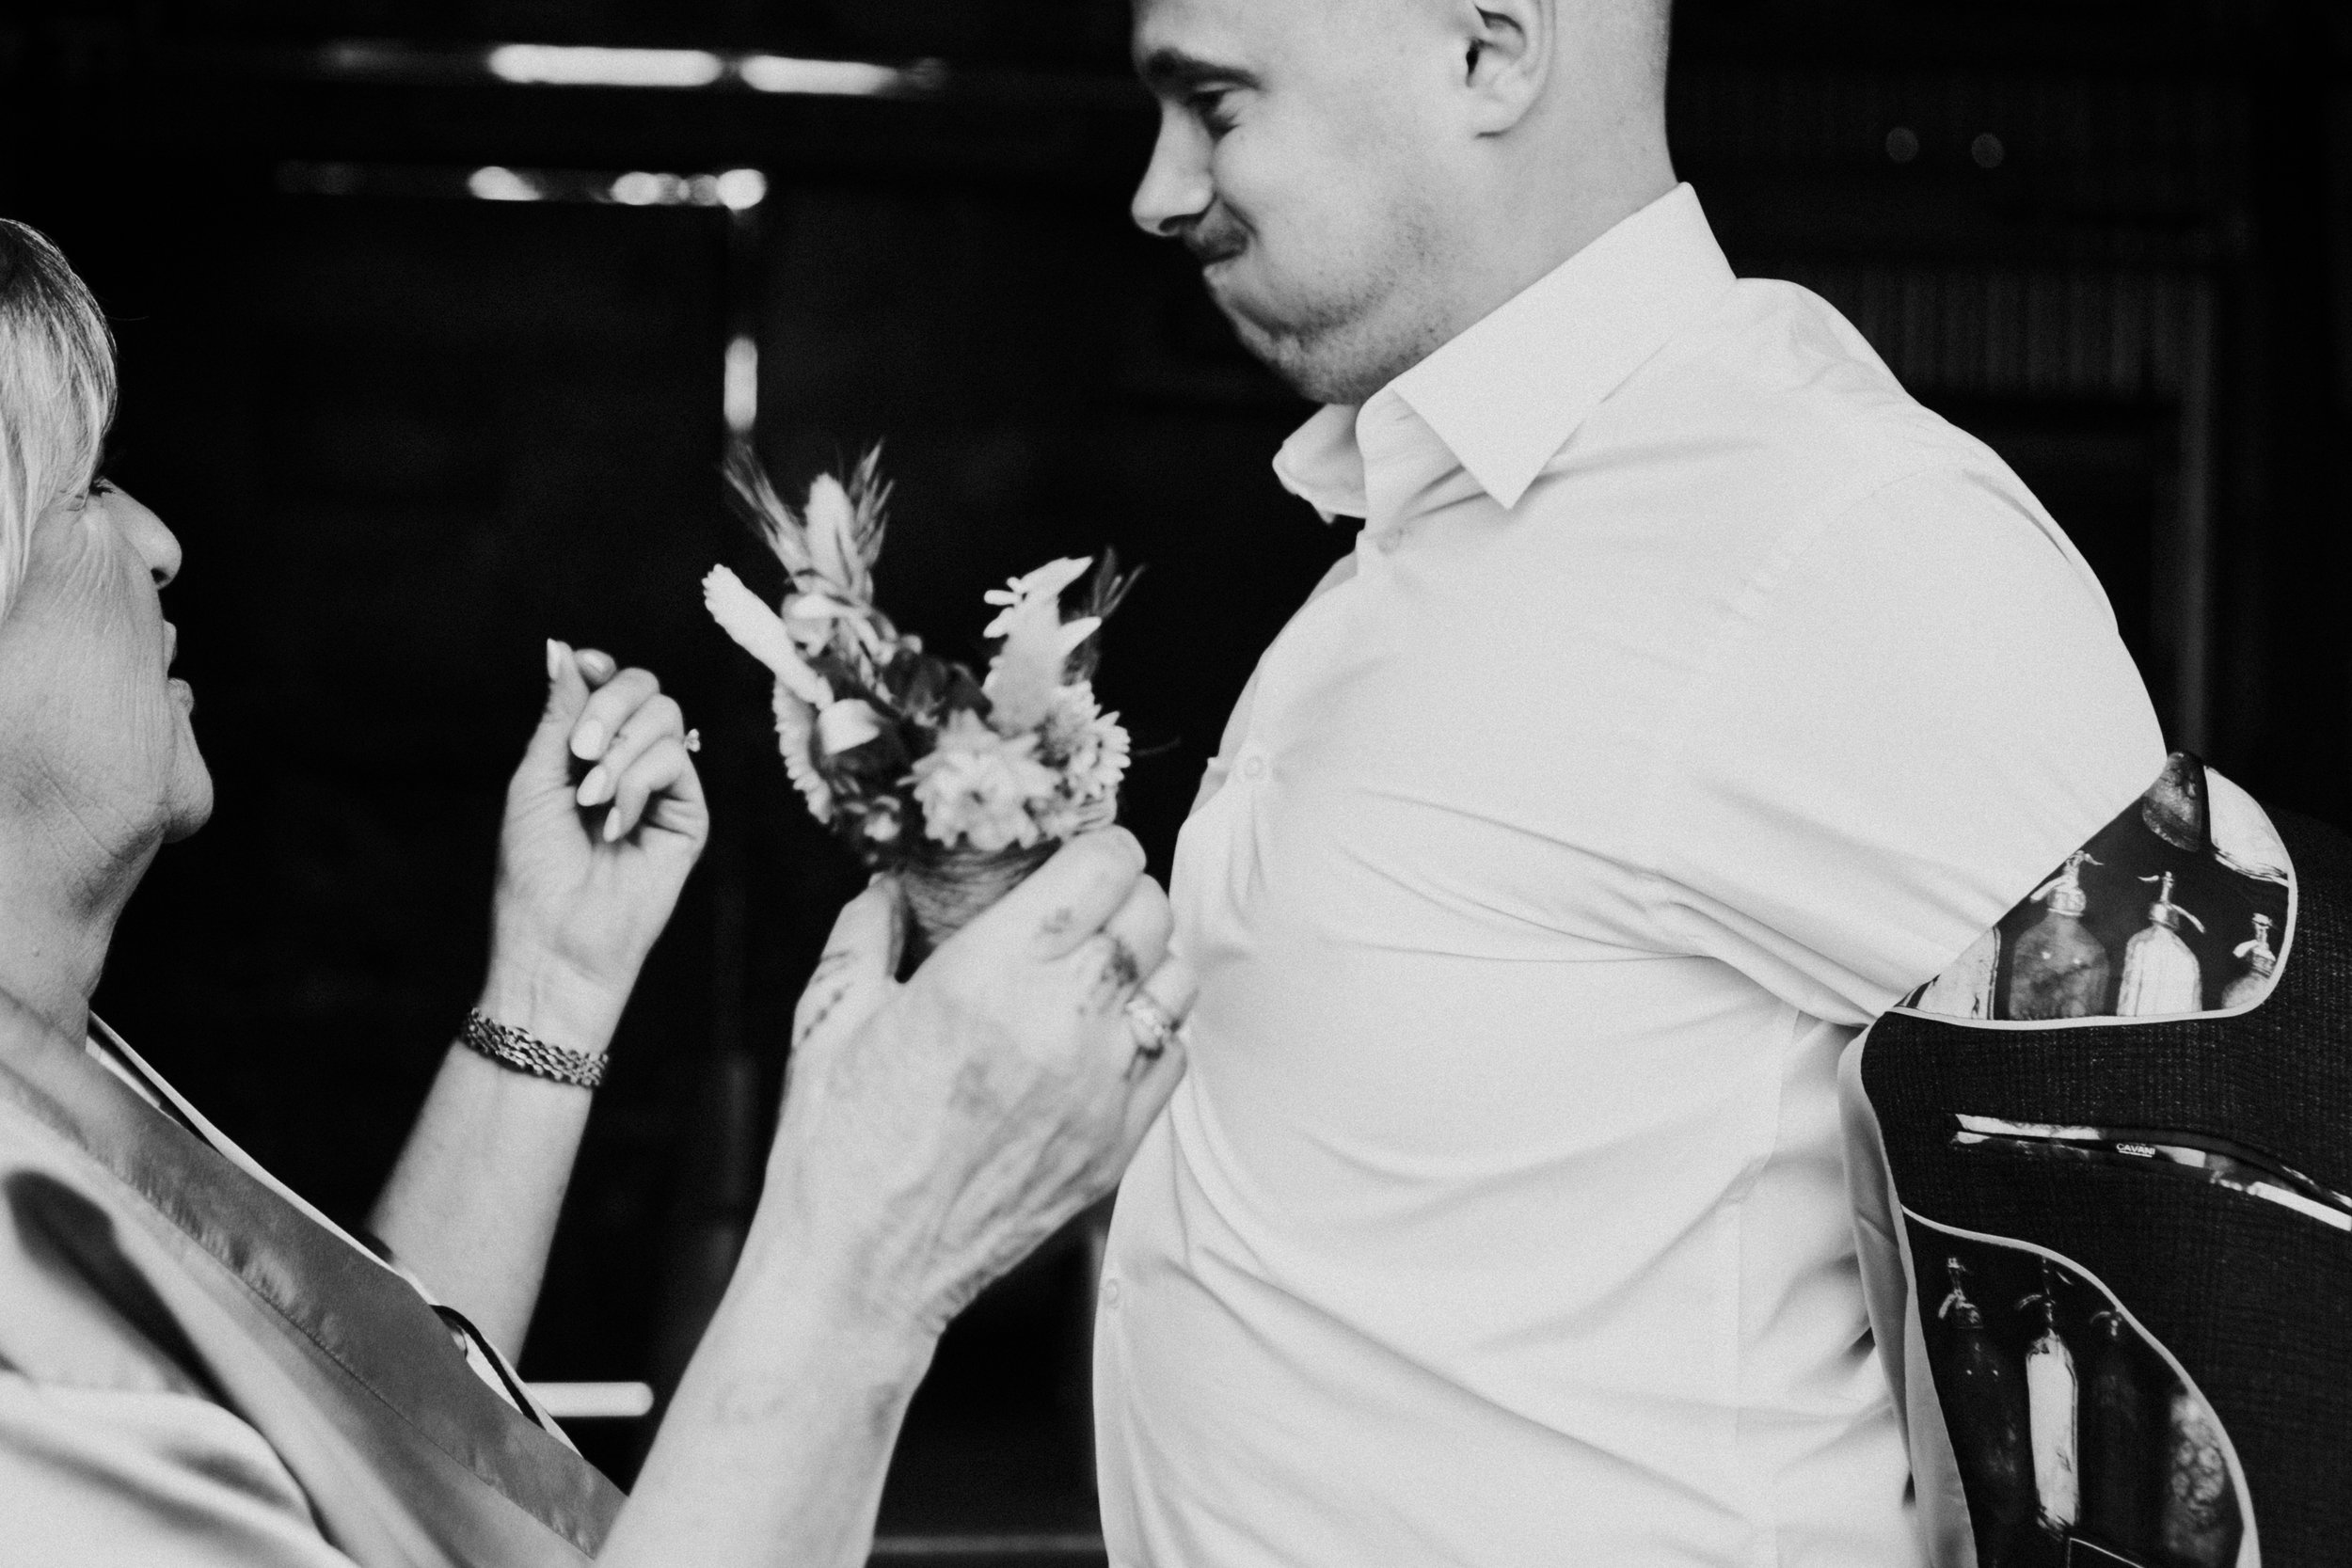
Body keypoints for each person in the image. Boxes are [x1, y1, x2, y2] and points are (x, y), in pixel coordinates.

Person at [1098, 1, 2165, 1563]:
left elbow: (2218, 1241)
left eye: (1213, 101)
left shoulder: (1835, 536)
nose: (1159, 185)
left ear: (1489, 47)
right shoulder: (1404, 528)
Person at [0, 215, 1196, 1568]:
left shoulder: (51, 1064)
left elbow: (381, 1437)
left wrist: (554, 980)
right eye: (87, 487)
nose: (157, 538)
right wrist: (871, 1256)